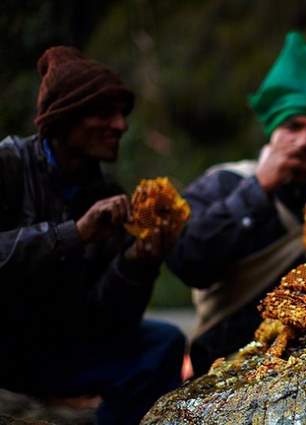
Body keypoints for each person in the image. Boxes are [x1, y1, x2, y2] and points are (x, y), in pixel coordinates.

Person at [167, 32, 306, 376]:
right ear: (272, 132)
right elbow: (188, 262)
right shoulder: (225, 182)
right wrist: (258, 189)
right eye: (293, 126)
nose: (304, 142)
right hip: (225, 360)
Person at [0, 46, 185, 424]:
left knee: (164, 342)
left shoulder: (104, 193)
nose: (121, 125)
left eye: (121, 114)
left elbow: (104, 320)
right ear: (63, 119)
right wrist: (73, 233)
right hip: (5, 345)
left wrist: (137, 264)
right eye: (104, 113)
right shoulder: (9, 165)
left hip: (55, 350)